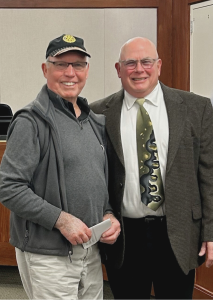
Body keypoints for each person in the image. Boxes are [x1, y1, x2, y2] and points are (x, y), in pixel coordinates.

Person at [90, 37, 213, 299]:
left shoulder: (196, 107)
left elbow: (208, 174)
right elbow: (94, 176)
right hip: (125, 236)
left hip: (178, 231)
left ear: (158, 65)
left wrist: (210, 230)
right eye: (130, 63)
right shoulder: (98, 113)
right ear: (118, 69)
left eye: (146, 62)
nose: (139, 69)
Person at [0, 34, 120, 300]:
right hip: (48, 256)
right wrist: (61, 220)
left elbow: (98, 183)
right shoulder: (30, 121)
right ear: (46, 69)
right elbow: (9, 188)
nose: (70, 72)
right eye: (60, 64)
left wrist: (108, 214)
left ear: (86, 70)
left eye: (78, 64)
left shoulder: (94, 122)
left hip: (90, 252)